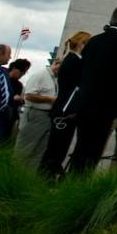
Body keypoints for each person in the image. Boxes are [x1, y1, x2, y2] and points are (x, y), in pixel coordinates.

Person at [68, 7, 117, 173]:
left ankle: (70, 182)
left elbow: (83, 72)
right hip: (105, 106)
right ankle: (81, 186)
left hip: (85, 103)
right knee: (94, 149)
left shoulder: (94, 40)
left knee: (81, 146)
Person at [39, 31, 90, 176]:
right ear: (82, 44)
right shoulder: (74, 61)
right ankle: (46, 175)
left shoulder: (74, 59)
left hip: (66, 108)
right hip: (65, 110)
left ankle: (49, 173)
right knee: (57, 148)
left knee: (60, 147)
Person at [15, 57, 59, 167]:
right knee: (25, 148)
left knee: (38, 151)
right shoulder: (40, 75)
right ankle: (16, 171)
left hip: (47, 116)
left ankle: (29, 176)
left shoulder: (54, 79)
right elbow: (29, 95)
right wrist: (50, 99)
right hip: (36, 113)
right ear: (56, 64)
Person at [5, 59, 31, 135]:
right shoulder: (2, 78)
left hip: (11, 115)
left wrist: (21, 100)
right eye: (21, 72)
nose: (22, 75)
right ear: (14, 68)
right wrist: (12, 98)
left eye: (24, 73)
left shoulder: (19, 85)